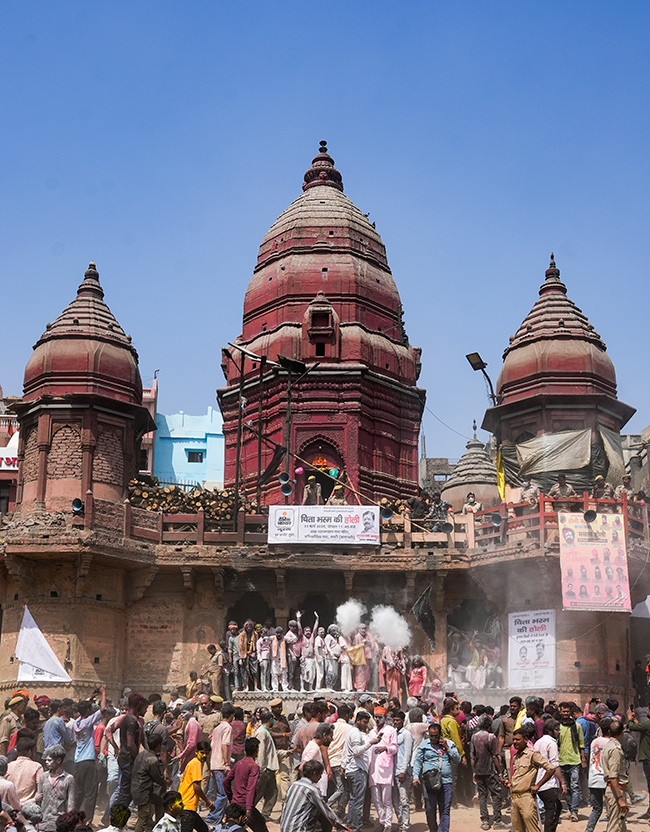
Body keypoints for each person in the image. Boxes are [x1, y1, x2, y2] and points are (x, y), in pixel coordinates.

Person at [503, 727, 562, 832]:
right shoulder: (516, 757)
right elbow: (521, 776)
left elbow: (551, 768)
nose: (515, 742)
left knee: (533, 829)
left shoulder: (532, 754)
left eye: (518, 739)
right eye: (514, 740)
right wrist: (510, 783)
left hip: (526, 798)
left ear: (525, 740)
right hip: (514, 798)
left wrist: (538, 786)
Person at [412, 721, 460, 832]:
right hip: (429, 782)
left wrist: (447, 747)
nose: (433, 738)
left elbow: (457, 759)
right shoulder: (424, 745)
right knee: (430, 808)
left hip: (446, 782)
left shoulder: (449, 743)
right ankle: (433, 829)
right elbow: (418, 762)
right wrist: (415, 777)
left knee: (445, 810)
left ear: (440, 734)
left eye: (436, 736)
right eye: (431, 735)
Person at [341, 710, 381, 832]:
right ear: (358, 720)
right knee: (357, 802)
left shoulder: (352, 732)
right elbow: (356, 751)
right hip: (357, 770)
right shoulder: (355, 733)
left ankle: (351, 826)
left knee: (354, 800)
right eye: (364, 722)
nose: (365, 724)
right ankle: (355, 827)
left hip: (353, 770)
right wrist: (371, 743)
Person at [280, 759, 346, 832]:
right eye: (320, 774)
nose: (320, 777)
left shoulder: (293, 785)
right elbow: (327, 811)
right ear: (314, 773)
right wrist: (342, 827)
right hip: (298, 830)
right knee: (323, 815)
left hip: (284, 828)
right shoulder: (312, 789)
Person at [73, 688, 107, 818]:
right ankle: (88, 820)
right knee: (91, 793)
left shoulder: (77, 722)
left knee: (79, 793)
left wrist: (91, 697)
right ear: (88, 711)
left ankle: (75, 817)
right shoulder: (88, 721)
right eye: (90, 708)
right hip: (88, 761)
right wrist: (103, 693)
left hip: (78, 761)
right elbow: (103, 709)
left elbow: (83, 709)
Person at [111, 692, 148, 811]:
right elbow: (131, 744)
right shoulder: (131, 721)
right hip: (128, 759)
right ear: (139, 705)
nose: (145, 711)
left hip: (126, 758)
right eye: (144, 708)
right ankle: (116, 819)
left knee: (127, 791)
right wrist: (139, 759)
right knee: (125, 792)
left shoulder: (130, 719)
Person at [224, 737, 267, 832]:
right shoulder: (254, 766)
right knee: (261, 827)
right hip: (245, 806)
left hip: (236, 804)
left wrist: (231, 798)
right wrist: (248, 809)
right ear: (256, 751)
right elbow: (250, 788)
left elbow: (226, 782)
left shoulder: (239, 763)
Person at [471, 715, 506, 830]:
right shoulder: (491, 737)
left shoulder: (474, 737)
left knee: (482, 796)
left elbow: (472, 756)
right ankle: (497, 820)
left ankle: (485, 820)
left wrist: (474, 771)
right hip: (490, 770)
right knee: (496, 795)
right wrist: (500, 772)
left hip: (479, 770)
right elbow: (495, 756)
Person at [204, 702, 234, 828]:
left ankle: (218, 818)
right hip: (221, 764)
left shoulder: (216, 728)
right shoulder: (227, 727)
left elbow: (212, 746)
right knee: (223, 794)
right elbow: (224, 745)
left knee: (220, 794)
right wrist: (226, 763)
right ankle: (211, 818)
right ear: (232, 715)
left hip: (214, 763)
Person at [533, 719, 565, 832]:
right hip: (548, 783)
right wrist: (562, 782)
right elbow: (554, 765)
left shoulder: (538, 742)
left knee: (555, 808)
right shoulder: (551, 743)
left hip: (539, 782)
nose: (559, 732)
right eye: (557, 730)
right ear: (549, 730)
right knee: (551, 811)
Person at [367, 712, 397, 832]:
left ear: (385, 718)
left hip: (386, 769)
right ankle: (382, 821)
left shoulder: (390, 730)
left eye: (380, 717)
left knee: (386, 800)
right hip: (373, 769)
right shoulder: (371, 732)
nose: (378, 719)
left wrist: (385, 748)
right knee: (376, 799)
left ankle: (388, 824)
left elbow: (394, 748)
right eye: (376, 717)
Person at [557, 700, 586, 821]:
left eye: (567, 711)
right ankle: (570, 808)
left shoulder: (577, 726)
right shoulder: (557, 727)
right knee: (566, 788)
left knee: (575, 787)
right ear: (560, 711)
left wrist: (583, 759)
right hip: (561, 761)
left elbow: (581, 744)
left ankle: (574, 811)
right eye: (563, 711)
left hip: (574, 760)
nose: (565, 713)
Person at [131, 732, 166, 832]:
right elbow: (157, 778)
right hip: (143, 792)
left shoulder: (141, 755)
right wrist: (165, 782)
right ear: (158, 745)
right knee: (143, 818)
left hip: (136, 789)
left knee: (158, 802)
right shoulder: (153, 759)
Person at [37, 744, 76, 832]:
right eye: (46, 760)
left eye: (49, 760)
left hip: (60, 824)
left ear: (59, 760)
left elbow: (71, 804)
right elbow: (38, 799)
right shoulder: (43, 777)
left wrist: (70, 823)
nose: (46, 762)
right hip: (43, 822)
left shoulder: (69, 779)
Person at [178, 741, 214, 832]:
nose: (204, 755)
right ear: (196, 752)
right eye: (202, 752)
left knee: (203, 829)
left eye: (206, 753)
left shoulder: (194, 763)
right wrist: (208, 802)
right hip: (187, 805)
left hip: (188, 806)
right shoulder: (196, 763)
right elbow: (196, 787)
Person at [601, 720, 629, 832]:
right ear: (622, 733)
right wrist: (620, 798)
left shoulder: (608, 745)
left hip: (613, 790)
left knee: (620, 825)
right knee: (615, 826)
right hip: (616, 791)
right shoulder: (615, 750)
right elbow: (613, 776)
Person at [585, 716, 612, 832]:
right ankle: (610, 829)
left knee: (596, 809)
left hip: (593, 778)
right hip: (607, 780)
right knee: (611, 808)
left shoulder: (594, 741)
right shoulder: (611, 743)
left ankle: (589, 829)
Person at [626, 703, 650, 818]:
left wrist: (630, 717)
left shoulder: (648, 724)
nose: (646, 712)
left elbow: (631, 727)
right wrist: (635, 721)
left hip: (648, 759)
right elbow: (641, 726)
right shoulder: (647, 725)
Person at [253, 710, 278, 821]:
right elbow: (261, 752)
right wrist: (260, 768)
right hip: (265, 768)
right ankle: (247, 811)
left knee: (272, 792)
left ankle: (265, 814)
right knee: (259, 792)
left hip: (270, 767)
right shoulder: (261, 733)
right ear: (270, 720)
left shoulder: (265, 731)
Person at [391, 710, 412, 832]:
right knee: (395, 800)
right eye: (394, 720)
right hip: (394, 771)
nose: (395, 722)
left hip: (402, 771)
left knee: (404, 800)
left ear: (403, 720)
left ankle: (405, 825)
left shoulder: (406, 734)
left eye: (397, 720)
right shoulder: (394, 733)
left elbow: (407, 754)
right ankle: (400, 822)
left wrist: (403, 771)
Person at [301, 723, 333, 797]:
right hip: (317, 790)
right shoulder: (314, 748)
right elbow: (302, 767)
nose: (332, 739)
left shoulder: (314, 745)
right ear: (324, 735)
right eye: (331, 736)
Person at [7, 738, 43, 802]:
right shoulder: (37, 767)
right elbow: (41, 789)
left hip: (10, 807)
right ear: (30, 752)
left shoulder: (8, 766)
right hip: (29, 807)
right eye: (35, 751)